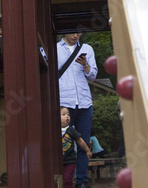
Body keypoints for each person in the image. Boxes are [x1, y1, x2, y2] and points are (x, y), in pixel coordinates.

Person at [57, 32, 96, 188]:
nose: (75, 35)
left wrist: (85, 64)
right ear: (65, 31)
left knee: (83, 143)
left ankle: (81, 182)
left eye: (78, 33)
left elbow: (92, 75)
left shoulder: (87, 48)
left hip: (84, 103)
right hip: (64, 103)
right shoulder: (55, 49)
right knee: (61, 144)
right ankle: (64, 181)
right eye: (73, 32)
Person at [61, 106, 92, 188]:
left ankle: (80, 183)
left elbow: (80, 140)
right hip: (58, 160)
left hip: (70, 160)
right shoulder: (54, 130)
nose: (67, 116)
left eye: (68, 115)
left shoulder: (71, 130)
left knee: (67, 179)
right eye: (63, 114)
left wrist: (87, 150)